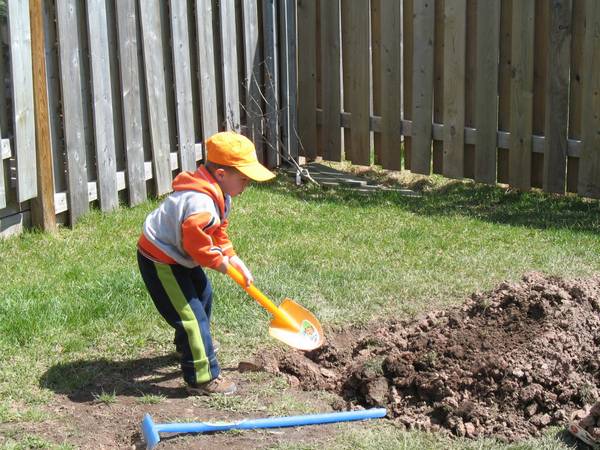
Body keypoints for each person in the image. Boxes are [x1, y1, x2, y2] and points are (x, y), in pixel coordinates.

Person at [136, 131, 275, 395]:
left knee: (203, 295)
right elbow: (197, 245)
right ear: (222, 174)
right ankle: (202, 377)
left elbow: (217, 232)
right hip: (161, 259)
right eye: (243, 179)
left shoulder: (220, 195)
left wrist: (232, 257)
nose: (246, 185)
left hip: (179, 255)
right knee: (191, 316)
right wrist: (220, 263)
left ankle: (190, 345)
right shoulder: (200, 203)